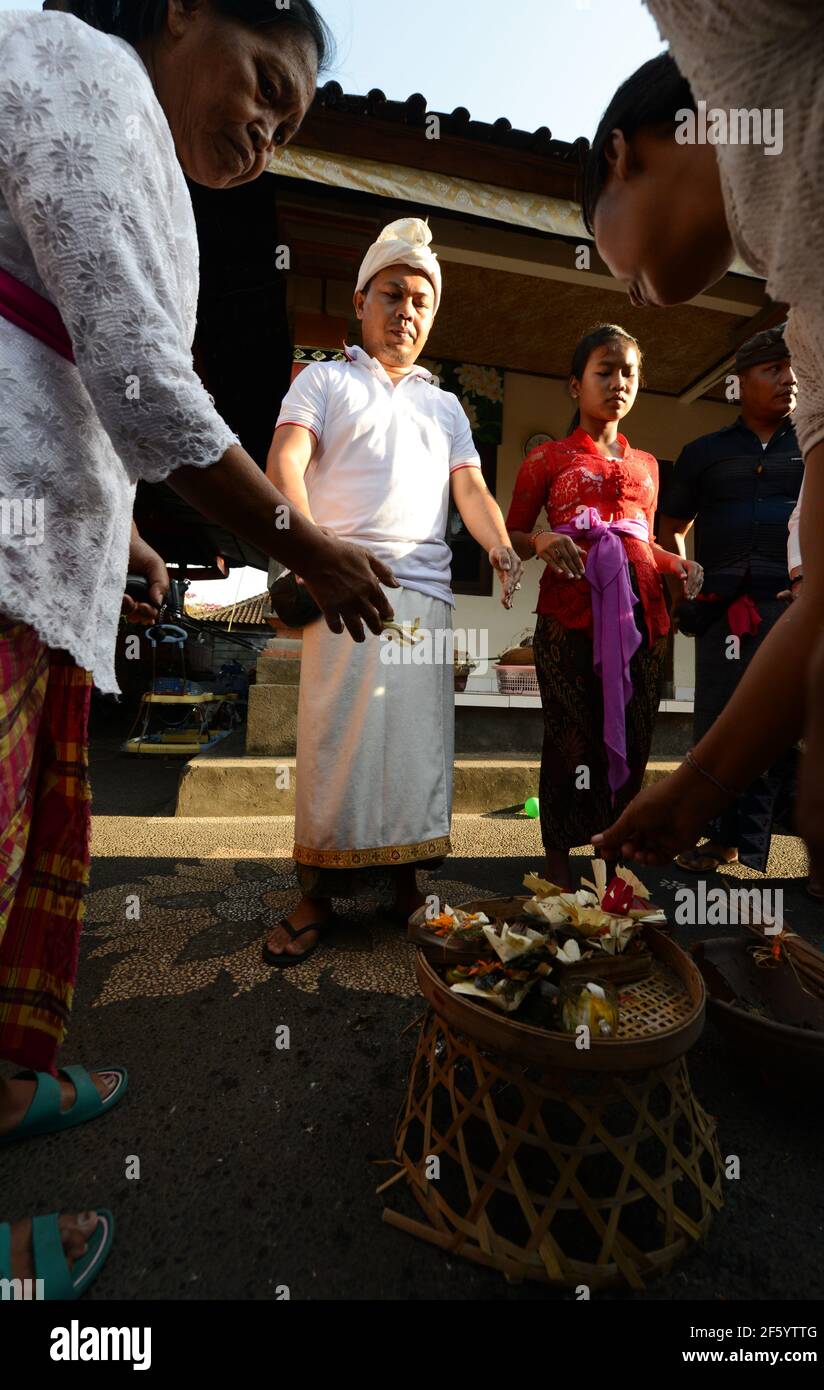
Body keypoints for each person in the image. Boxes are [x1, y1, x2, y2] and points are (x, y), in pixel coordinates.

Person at [0, 0, 396, 1299]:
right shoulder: (83, 65)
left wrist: (120, 542)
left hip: (39, 564)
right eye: (269, 80)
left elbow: (81, 378)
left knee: (18, 858)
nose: (273, 127)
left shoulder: (130, 134)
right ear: (179, 11)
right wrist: (310, 550)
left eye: (294, 118)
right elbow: (139, 378)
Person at [581, 21, 824, 950]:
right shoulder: (819, 345)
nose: (626, 291)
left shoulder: (747, 49)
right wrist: (693, 787)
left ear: (622, 156)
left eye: (603, 249)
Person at [261, 218, 522, 965]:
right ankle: (315, 891)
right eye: (392, 294)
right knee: (335, 739)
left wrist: (499, 544)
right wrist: (310, 553)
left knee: (413, 745)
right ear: (359, 301)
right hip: (342, 588)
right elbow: (287, 458)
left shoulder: (444, 406)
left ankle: (407, 883)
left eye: (420, 300)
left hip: (422, 599)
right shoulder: (323, 379)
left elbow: (468, 487)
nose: (406, 310)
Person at [505, 324, 701, 890]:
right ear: (575, 385)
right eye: (604, 371)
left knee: (635, 737)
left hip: (641, 619)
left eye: (628, 373)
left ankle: (614, 855)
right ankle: (560, 861)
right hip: (569, 617)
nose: (618, 382)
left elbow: (644, 543)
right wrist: (541, 541)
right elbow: (511, 533)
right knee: (570, 736)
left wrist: (679, 566)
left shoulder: (648, 466)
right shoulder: (546, 458)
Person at [658, 324, 804, 878]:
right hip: (722, 616)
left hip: (793, 613)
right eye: (772, 368)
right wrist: (685, 595)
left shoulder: (814, 447)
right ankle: (720, 840)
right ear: (740, 382)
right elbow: (671, 529)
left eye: (792, 368)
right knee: (718, 727)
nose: (787, 379)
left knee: (788, 730)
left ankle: (819, 854)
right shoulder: (704, 454)